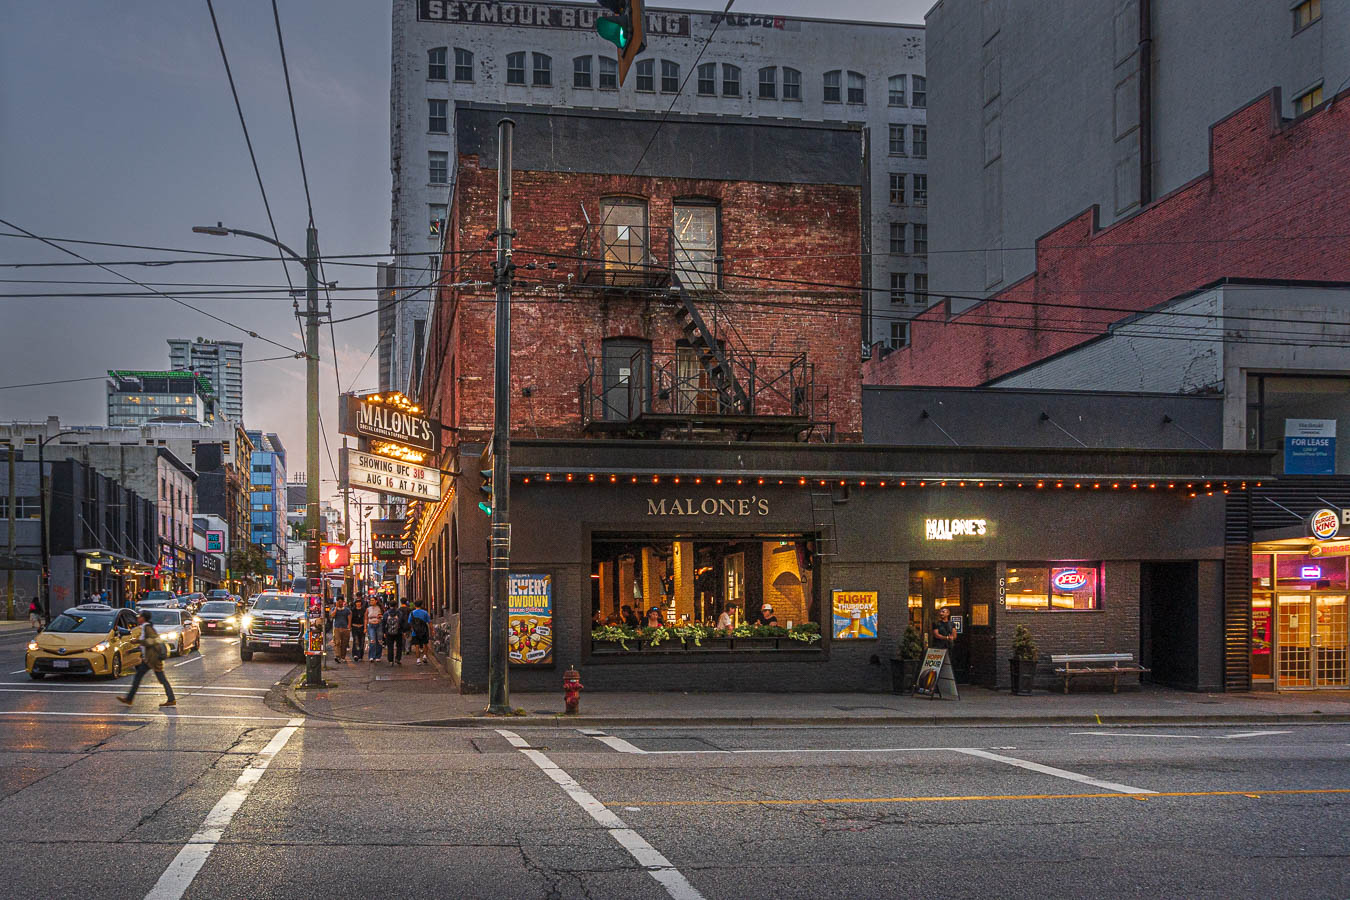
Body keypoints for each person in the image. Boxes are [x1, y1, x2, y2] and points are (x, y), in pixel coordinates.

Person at [117, 610, 176, 708]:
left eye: (139, 616)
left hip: (153, 659)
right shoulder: (145, 627)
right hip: (148, 659)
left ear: (143, 618)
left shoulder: (147, 628)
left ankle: (171, 699)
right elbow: (145, 645)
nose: (138, 618)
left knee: (161, 679)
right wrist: (133, 649)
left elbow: (152, 641)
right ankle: (129, 699)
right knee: (138, 677)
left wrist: (138, 641)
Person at [409, 600, 432, 665]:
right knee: (425, 644)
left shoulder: (412, 613)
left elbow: (410, 622)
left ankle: (418, 660)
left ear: (415, 605)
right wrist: (432, 630)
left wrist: (412, 629)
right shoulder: (425, 612)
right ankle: (424, 656)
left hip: (415, 632)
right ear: (421, 605)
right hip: (424, 631)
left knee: (417, 645)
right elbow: (429, 622)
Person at [383, 600, 403, 665]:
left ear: (389, 605)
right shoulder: (399, 613)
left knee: (390, 646)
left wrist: (384, 632)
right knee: (399, 646)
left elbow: (383, 623)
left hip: (388, 632)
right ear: (396, 605)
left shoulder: (386, 613)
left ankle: (390, 660)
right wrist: (403, 631)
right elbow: (402, 622)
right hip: (398, 632)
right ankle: (398, 658)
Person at [331, 597, 351, 664]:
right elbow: (332, 616)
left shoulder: (347, 610)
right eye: (338, 602)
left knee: (344, 643)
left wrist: (349, 626)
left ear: (343, 602)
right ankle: (337, 656)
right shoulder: (334, 609)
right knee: (337, 642)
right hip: (337, 627)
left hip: (345, 628)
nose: (340, 603)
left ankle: (343, 657)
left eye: (341, 602)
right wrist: (336, 608)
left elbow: (349, 617)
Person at [366, 597, 383, 662]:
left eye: (373, 600)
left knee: (379, 640)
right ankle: (371, 656)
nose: (371, 601)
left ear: (376, 601)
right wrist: (365, 627)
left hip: (379, 625)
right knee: (372, 640)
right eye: (370, 600)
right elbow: (365, 618)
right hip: (371, 625)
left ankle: (378, 656)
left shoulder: (380, 608)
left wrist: (380, 616)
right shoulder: (368, 609)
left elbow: (383, 616)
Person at [350, 597, 366, 663]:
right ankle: (355, 655)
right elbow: (350, 618)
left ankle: (360, 655)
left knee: (362, 641)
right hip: (354, 626)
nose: (358, 603)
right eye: (357, 602)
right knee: (356, 640)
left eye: (359, 602)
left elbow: (365, 619)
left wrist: (365, 627)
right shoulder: (352, 610)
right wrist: (350, 626)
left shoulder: (364, 610)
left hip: (361, 626)